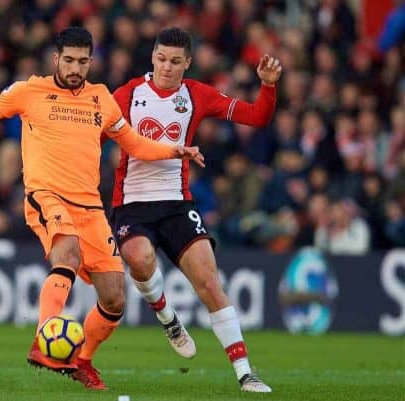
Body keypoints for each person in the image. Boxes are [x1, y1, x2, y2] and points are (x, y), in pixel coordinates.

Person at [0, 27, 204, 390]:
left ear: (90, 62)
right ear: (56, 59)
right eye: (68, 60)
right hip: (47, 196)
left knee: (114, 296)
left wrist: (175, 150)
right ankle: (44, 341)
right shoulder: (29, 91)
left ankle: (82, 359)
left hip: (90, 207)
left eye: (82, 61)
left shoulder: (101, 98)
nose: (75, 67)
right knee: (65, 252)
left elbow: (134, 143)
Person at [108, 27, 282, 393]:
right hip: (132, 204)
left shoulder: (197, 95)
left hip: (176, 203)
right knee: (139, 260)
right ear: (152, 57)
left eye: (174, 61)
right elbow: (95, 134)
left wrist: (267, 86)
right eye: (160, 59)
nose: (166, 68)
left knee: (209, 283)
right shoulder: (127, 95)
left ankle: (245, 372)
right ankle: (167, 317)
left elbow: (257, 117)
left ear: (188, 63)